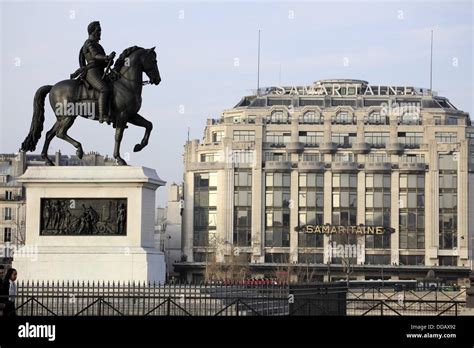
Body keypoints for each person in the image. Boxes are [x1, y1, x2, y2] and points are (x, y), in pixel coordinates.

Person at [74, 21, 116, 124]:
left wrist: (109, 62)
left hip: (100, 71)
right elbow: (94, 56)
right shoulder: (89, 43)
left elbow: (101, 60)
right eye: (98, 30)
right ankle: (102, 115)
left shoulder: (98, 45)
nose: (100, 33)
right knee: (104, 89)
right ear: (92, 31)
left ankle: (113, 114)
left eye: (100, 30)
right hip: (92, 73)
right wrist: (107, 57)